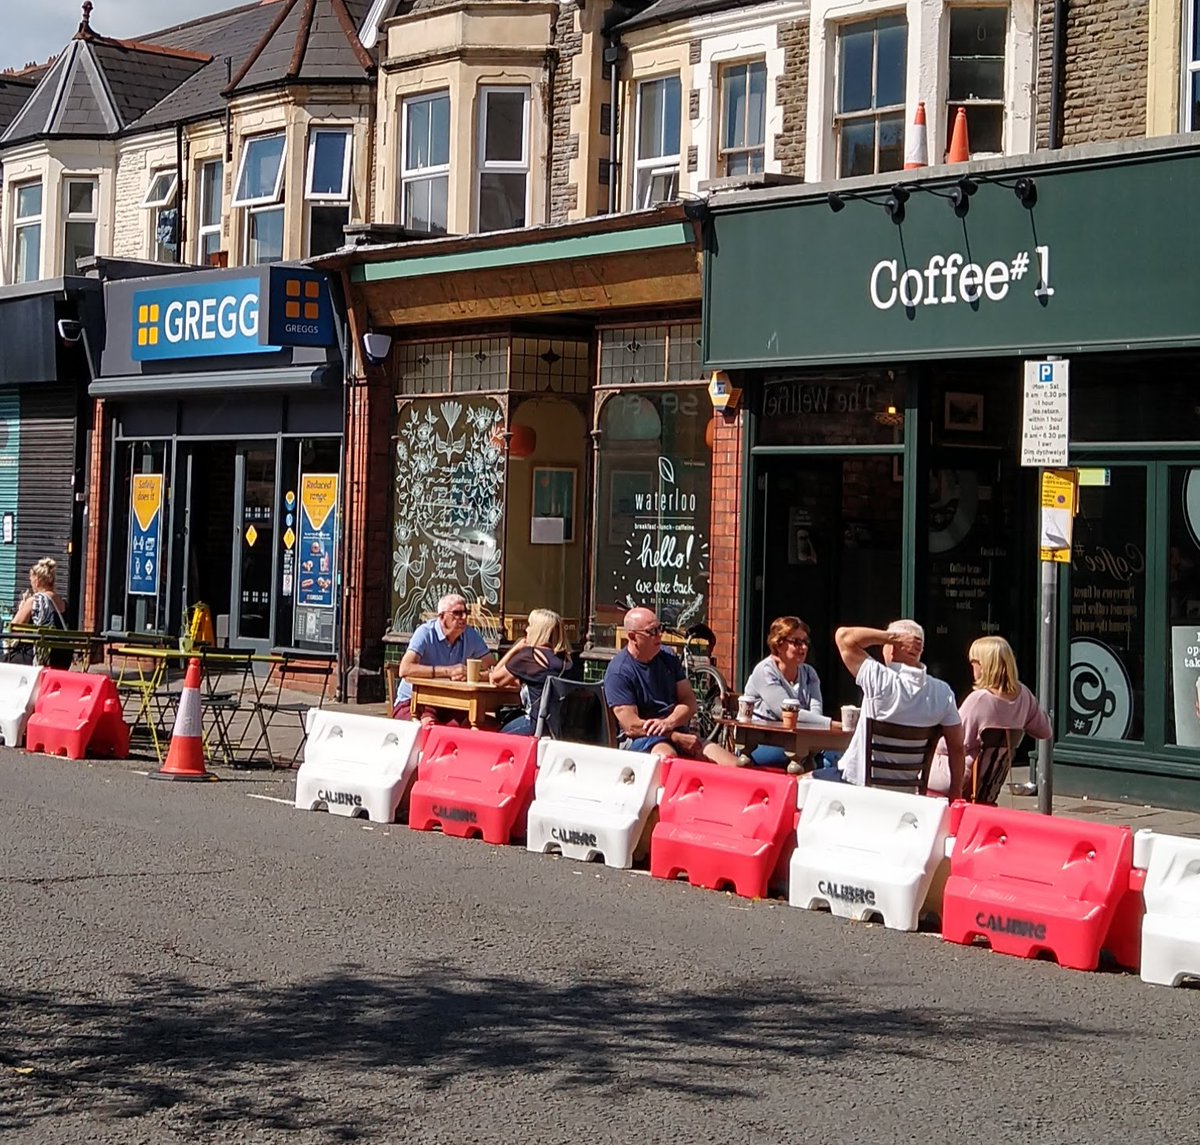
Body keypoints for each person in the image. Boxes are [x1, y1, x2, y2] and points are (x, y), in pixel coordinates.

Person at [810, 620, 965, 799]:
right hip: (907, 791)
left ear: (892, 648)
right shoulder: (943, 692)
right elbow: (957, 746)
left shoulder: (879, 679)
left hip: (859, 786)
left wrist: (890, 637)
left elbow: (843, 636)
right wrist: (956, 790)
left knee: (798, 782)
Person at [604, 606, 741, 766]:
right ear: (632, 637)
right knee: (668, 758)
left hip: (676, 730)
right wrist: (674, 736)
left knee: (735, 765)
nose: (659, 635)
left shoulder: (668, 656)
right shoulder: (619, 672)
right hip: (641, 740)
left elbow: (688, 701)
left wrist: (669, 722)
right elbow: (632, 726)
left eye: (660, 628)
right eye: (652, 631)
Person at [928, 635, 1051, 798]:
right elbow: (1045, 731)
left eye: (974, 662)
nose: (972, 667)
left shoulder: (979, 699)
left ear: (985, 665)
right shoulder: (1024, 695)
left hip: (960, 777)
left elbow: (950, 744)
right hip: (989, 783)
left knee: (914, 767)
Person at [744, 616, 839, 769]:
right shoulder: (765, 671)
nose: (804, 647)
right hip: (761, 743)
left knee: (835, 758)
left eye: (806, 642)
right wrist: (832, 725)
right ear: (779, 644)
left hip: (800, 742)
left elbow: (816, 715)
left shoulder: (809, 674)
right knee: (821, 762)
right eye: (796, 642)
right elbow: (787, 713)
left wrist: (825, 728)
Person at [393, 593, 495, 722]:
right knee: (428, 725)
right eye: (457, 613)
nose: (464, 617)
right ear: (441, 617)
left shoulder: (471, 635)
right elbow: (405, 669)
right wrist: (449, 671)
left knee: (483, 724)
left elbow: (493, 668)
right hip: (414, 701)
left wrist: (473, 675)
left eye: (466, 613)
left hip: (451, 703)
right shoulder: (425, 633)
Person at [489, 608, 573, 736]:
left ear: (539, 631)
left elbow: (495, 679)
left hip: (535, 725)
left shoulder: (529, 657)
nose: (527, 629)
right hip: (560, 728)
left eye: (530, 625)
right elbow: (539, 682)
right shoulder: (566, 660)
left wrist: (516, 648)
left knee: (497, 739)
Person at [11, 557, 70, 668]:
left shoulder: (34, 601)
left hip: (36, 657)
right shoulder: (63, 603)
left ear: (37, 580)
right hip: (61, 659)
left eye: (31, 579)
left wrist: (21, 608)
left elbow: (13, 627)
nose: (30, 582)